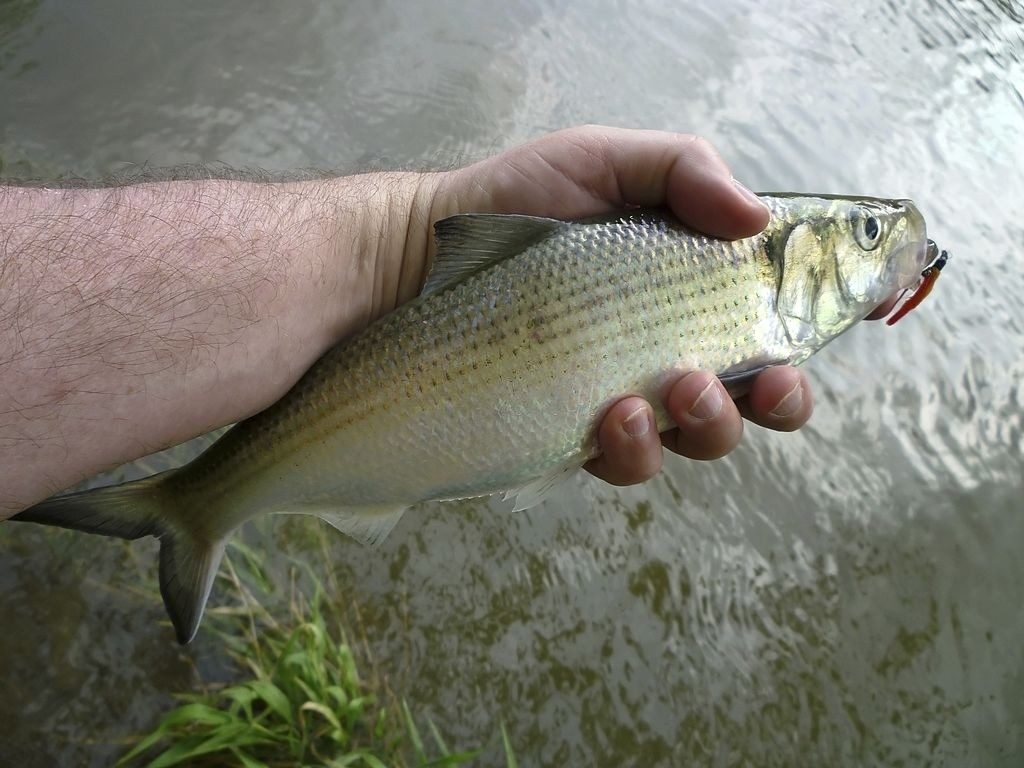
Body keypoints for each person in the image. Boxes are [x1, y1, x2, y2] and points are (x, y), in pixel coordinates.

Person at [1, 125, 871, 521]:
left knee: (637, 422)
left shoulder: (756, 320)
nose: (878, 242)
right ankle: (195, 506)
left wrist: (398, 239)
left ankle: (195, 506)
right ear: (801, 253)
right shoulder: (748, 242)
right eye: (866, 232)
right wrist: (400, 240)